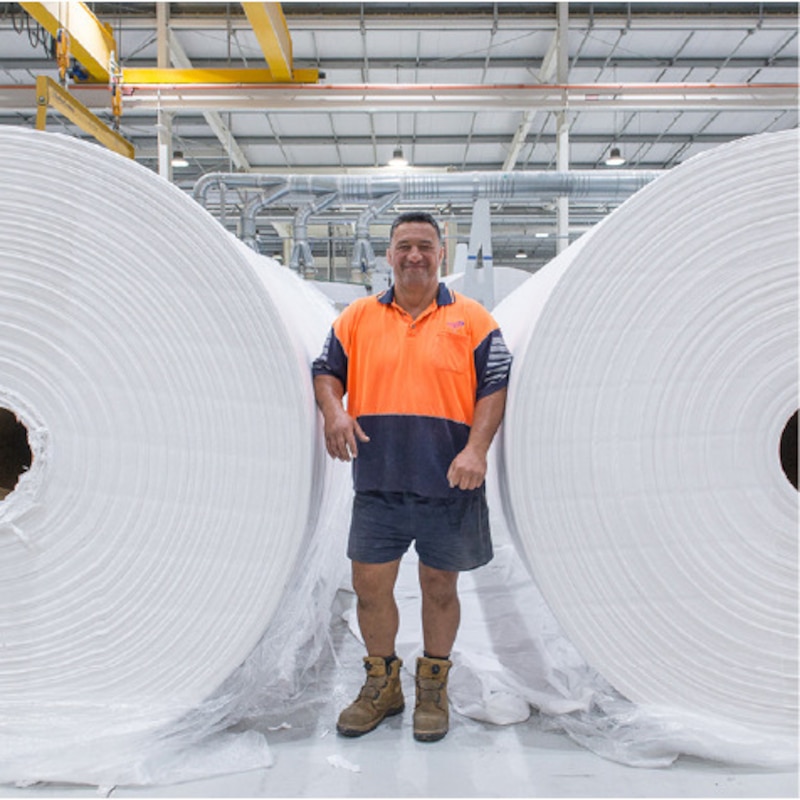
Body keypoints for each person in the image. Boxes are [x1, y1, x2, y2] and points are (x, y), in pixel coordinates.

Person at [312, 211, 511, 742]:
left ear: (441, 253)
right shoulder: (357, 317)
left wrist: (476, 448)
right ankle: (383, 685)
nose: (414, 255)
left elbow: (495, 385)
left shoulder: (474, 319)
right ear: (389, 255)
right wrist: (334, 412)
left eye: (424, 245)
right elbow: (326, 370)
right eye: (404, 246)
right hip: (378, 481)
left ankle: (433, 686)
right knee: (369, 587)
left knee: (439, 587)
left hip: (451, 482)